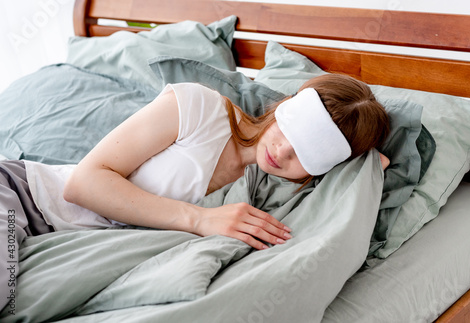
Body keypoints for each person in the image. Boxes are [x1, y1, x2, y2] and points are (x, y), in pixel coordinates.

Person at [0, 73, 389, 311]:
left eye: (308, 152)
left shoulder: (273, 192)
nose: (284, 151)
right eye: (290, 130)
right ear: (286, 106)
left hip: (52, 246)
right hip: (22, 197)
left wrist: (365, 164)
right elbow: (82, 184)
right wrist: (199, 218)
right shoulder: (201, 110)